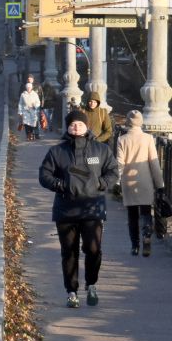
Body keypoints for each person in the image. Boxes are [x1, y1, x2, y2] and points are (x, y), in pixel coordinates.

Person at [39, 109, 120, 308]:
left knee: (93, 249)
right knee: (69, 252)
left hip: (92, 209)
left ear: (87, 126)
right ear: (68, 127)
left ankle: (91, 284)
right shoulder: (57, 152)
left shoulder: (100, 150)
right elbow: (44, 175)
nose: (76, 127)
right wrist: (61, 185)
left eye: (80, 124)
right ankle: (71, 291)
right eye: (73, 124)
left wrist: (101, 184)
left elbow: (113, 171)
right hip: (66, 210)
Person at [114, 110, 165, 257]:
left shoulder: (122, 139)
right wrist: (160, 184)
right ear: (141, 122)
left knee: (132, 216)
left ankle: (135, 246)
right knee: (146, 212)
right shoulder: (148, 138)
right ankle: (147, 235)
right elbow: (154, 163)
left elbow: (120, 163)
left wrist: (117, 181)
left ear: (128, 122)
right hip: (145, 181)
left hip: (128, 182)